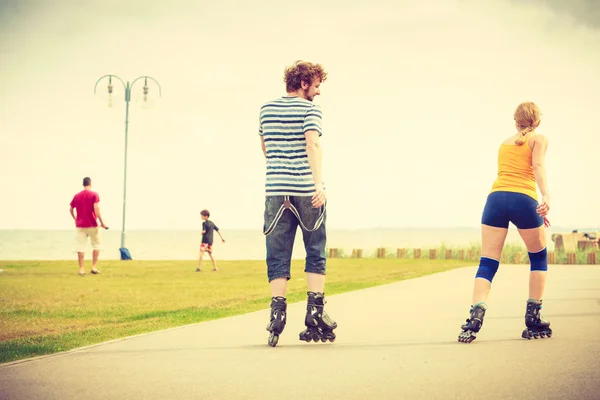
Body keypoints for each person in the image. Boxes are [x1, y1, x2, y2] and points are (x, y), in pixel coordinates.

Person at [258, 60, 337, 347]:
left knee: (277, 254)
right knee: (315, 249)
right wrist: (318, 185)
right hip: (306, 190)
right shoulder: (310, 110)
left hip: (275, 191)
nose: (318, 92)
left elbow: (265, 147)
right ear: (304, 83)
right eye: (316, 86)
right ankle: (315, 313)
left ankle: (277, 315)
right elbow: (312, 144)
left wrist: (280, 170)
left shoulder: (266, 109)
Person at [458, 102, 552, 343]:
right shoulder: (538, 139)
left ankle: (475, 316)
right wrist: (545, 197)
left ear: (515, 121)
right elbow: (538, 166)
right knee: (539, 257)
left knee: (488, 261)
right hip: (524, 199)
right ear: (537, 121)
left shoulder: (504, 144)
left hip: (496, 199)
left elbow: (509, 176)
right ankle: (533, 318)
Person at [69, 177, 109, 276]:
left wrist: (75, 219)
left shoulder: (76, 196)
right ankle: (94, 267)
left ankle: (81, 269)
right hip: (92, 225)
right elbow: (96, 208)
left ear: (83, 184)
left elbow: (70, 209)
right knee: (96, 245)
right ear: (90, 184)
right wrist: (102, 223)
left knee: (80, 247)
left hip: (80, 226)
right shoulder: (94, 195)